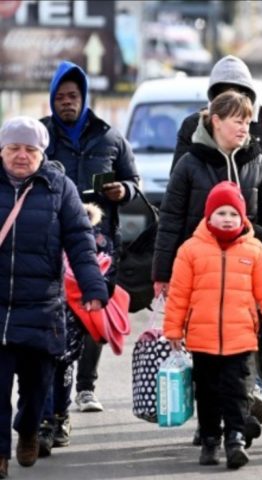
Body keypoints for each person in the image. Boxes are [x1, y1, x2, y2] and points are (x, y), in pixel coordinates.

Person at [152, 90, 262, 447]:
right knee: (208, 360)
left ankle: (237, 424)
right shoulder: (190, 163)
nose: (245, 127)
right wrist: (162, 273)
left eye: (247, 120)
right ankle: (212, 426)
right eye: (237, 120)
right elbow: (170, 219)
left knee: (242, 353)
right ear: (216, 121)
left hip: (248, 270)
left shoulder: (257, 160)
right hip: (200, 275)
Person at [0, 116, 108, 479]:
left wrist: (94, 287)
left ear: (41, 153)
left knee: (37, 386)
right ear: (2, 150)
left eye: (29, 149)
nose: (21, 156)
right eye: (14, 148)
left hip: (42, 307)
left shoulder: (59, 187)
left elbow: (80, 240)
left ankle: (28, 429)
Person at [163, 181, 262, 470]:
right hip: (202, 338)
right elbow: (179, 293)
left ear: (243, 217)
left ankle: (235, 440)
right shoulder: (190, 250)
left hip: (241, 337)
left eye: (234, 213)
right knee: (207, 392)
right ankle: (209, 439)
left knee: (238, 391)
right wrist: (173, 330)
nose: (228, 219)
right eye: (221, 213)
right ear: (208, 216)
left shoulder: (255, 250)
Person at [40, 61, 139, 415]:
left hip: (99, 242)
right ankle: (56, 402)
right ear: (52, 100)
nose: (67, 102)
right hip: (51, 241)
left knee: (94, 309)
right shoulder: (41, 137)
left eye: (73, 96)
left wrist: (122, 191)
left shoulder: (110, 137)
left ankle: (86, 387)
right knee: (60, 316)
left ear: (84, 99)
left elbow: (134, 183)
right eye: (61, 97)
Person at [171, 55, 262, 261]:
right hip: (202, 241)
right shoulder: (194, 126)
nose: (232, 99)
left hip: (256, 241)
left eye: (239, 92)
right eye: (224, 93)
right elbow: (177, 192)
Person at [37, 203, 113, 457]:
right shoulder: (37, 226)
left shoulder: (88, 235)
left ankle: (61, 415)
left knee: (64, 368)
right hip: (41, 310)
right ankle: (45, 422)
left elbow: (102, 264)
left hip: (73, 315)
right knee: (44, 367)